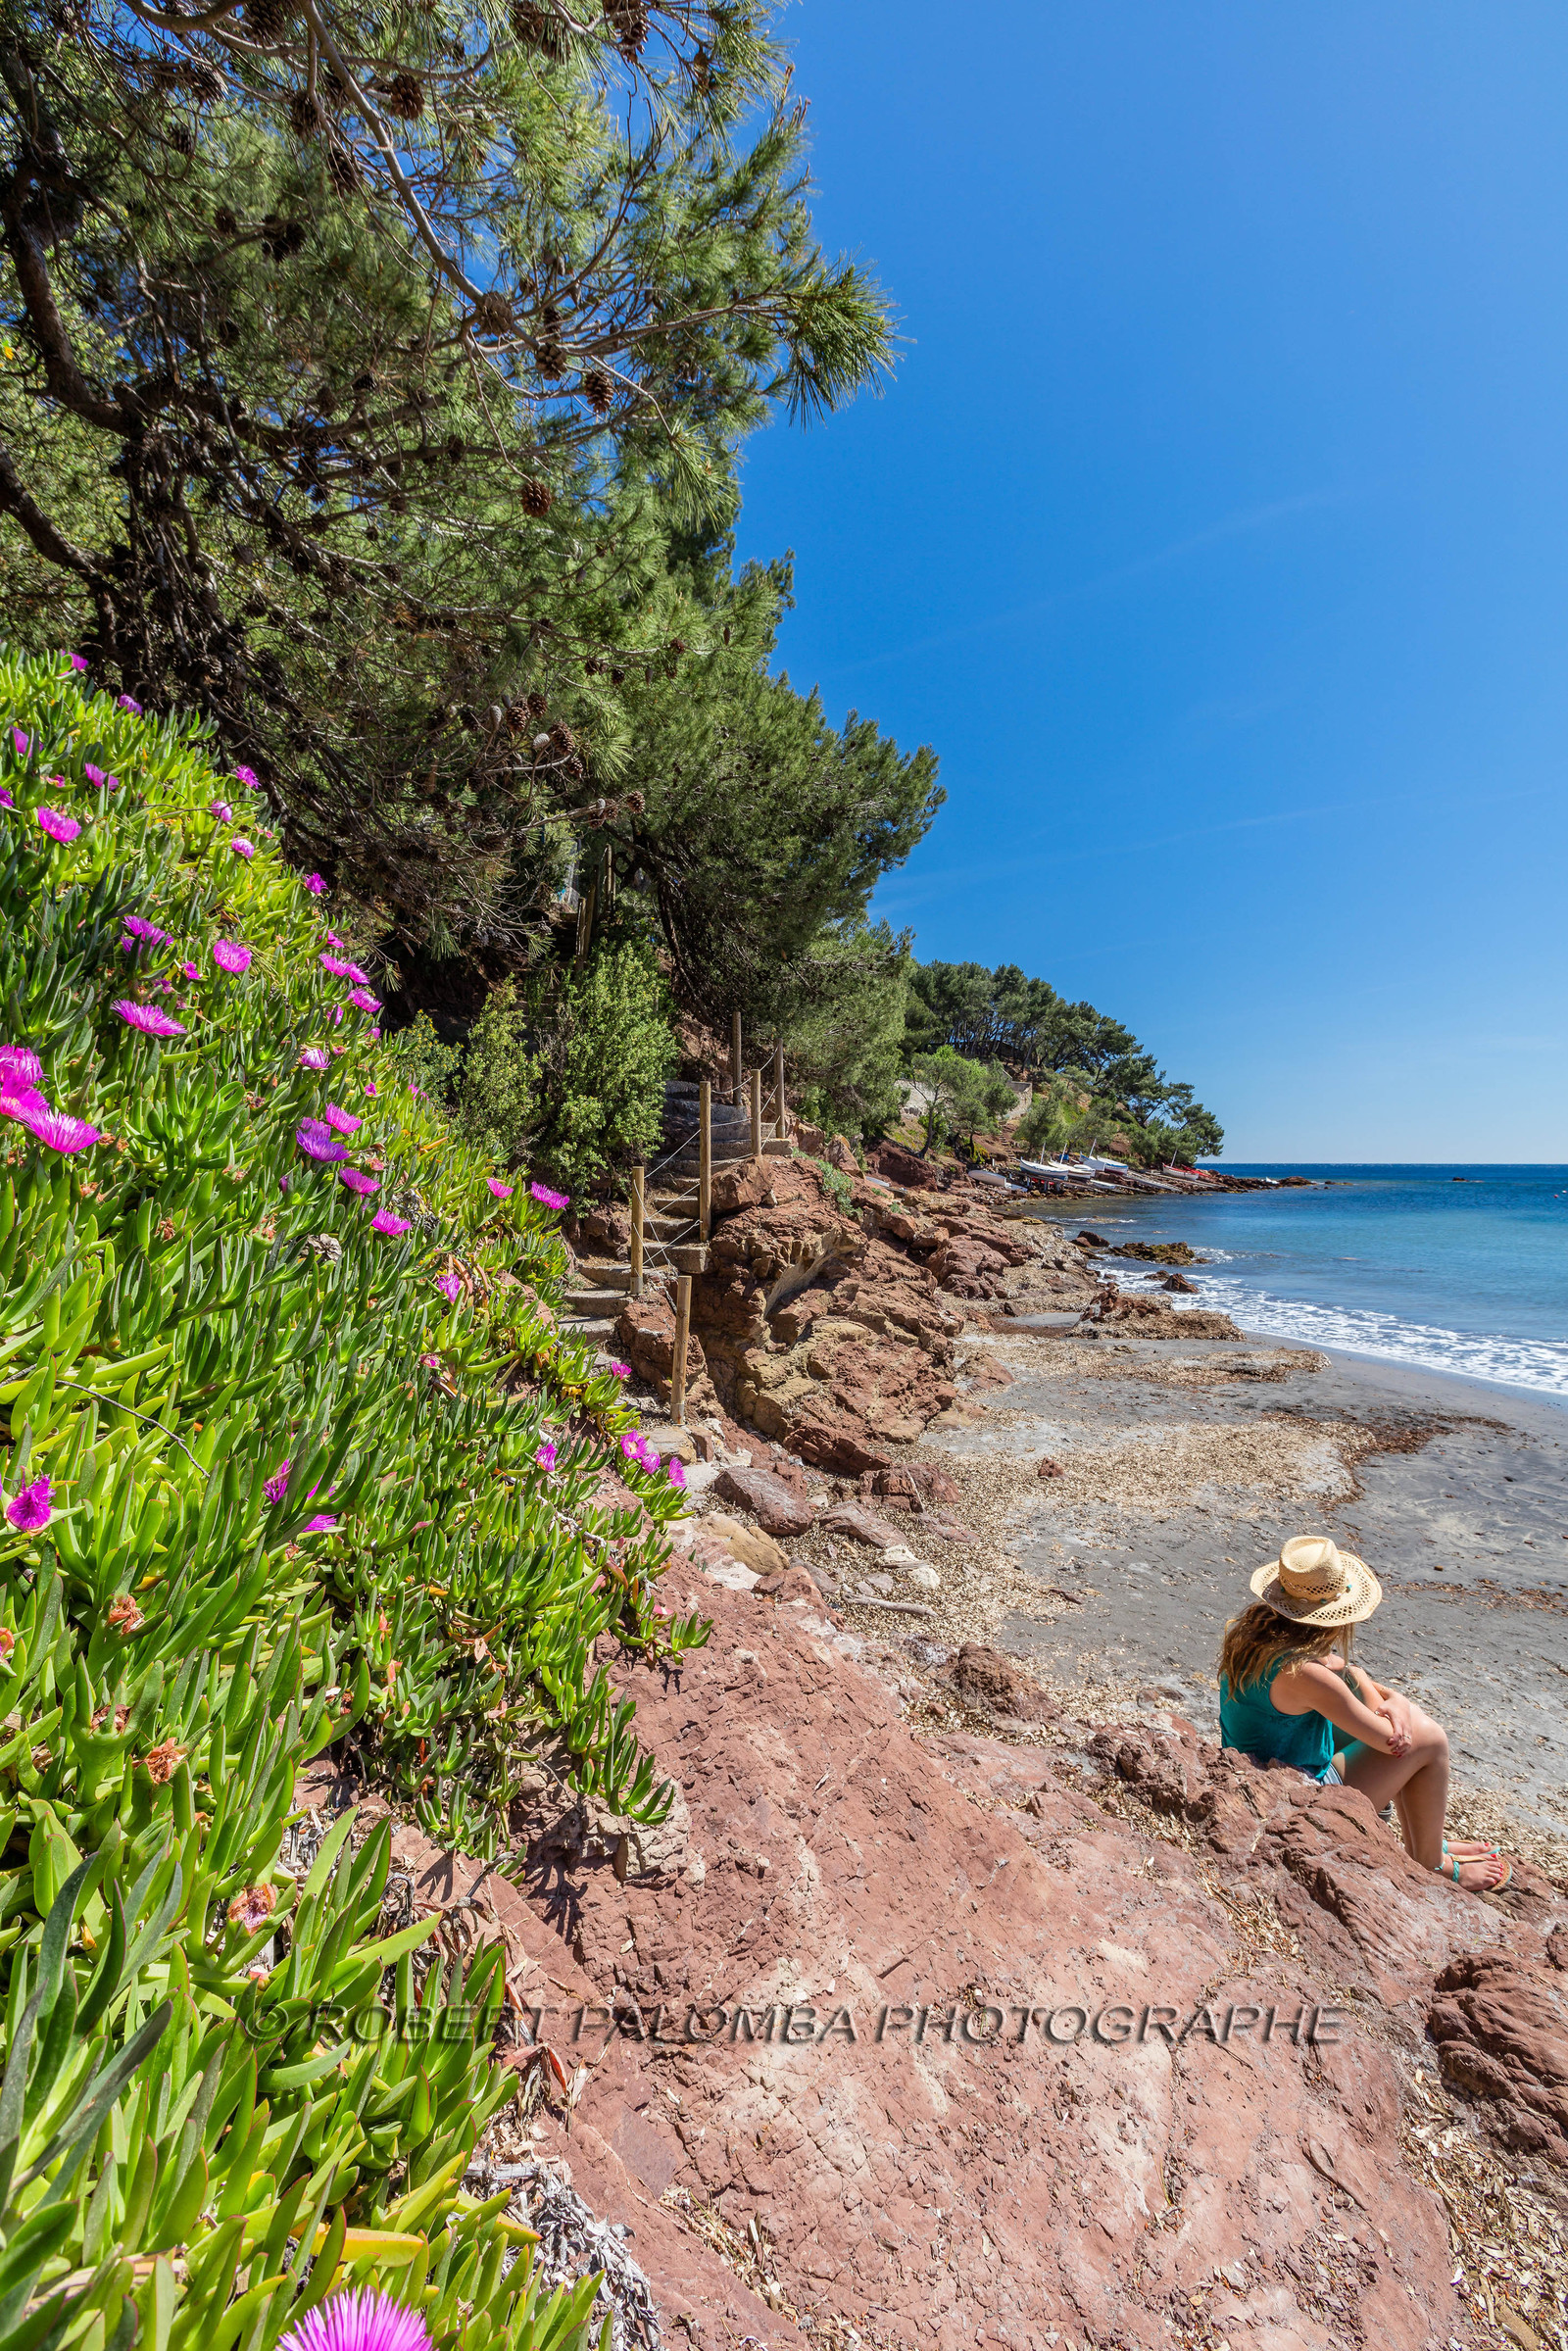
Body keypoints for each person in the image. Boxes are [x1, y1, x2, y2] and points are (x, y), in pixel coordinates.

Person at [1218, 1535, 1511, 1894]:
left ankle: (1425, 1839)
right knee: (1429, 1740)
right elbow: (1392, 1742)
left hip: (1258, 1772)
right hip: (1297, 1796)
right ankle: (1431, 1861)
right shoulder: (1304, 1673)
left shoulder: (1256, 1633)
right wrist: (1399, 1702)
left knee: (1362, 1692)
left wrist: (1363, 1683)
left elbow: (1345, 1674)